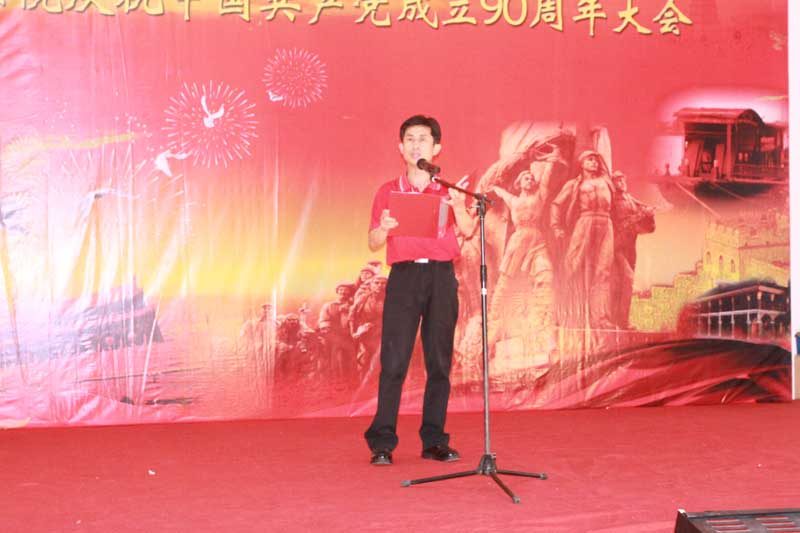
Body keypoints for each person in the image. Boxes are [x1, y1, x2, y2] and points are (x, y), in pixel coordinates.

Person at [364, 115, 474, 466]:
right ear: (400, 147)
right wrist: (384, 228)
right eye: (409, 139)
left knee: (439, 362)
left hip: (441, 277)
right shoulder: (387, 191)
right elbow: (373, 242)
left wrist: (460, 208)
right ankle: (382, 443)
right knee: (394, 361)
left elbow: (469, 231)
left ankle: (434, 440)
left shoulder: (449, 190)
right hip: (404, 278)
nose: (416, 145)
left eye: (423, 139)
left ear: (436, 147)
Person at [550, 150, 616, 330]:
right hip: (585, 221)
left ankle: (600, 317)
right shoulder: (575, 184)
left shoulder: (606, 181)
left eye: (596, 160)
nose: (594, 163)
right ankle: (563, 312)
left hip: (606, 222)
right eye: (590, 160)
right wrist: (556, 227)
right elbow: (556, 204)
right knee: (572, 265)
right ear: (582, 163)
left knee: (603, 271)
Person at [609, 171, 655, 328]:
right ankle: (616, 320)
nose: (621, 182)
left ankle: (622, 320)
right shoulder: (611, 201)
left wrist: (649, 215)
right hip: (617, 246)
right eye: (617, 180)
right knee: (624, 280)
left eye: (622, 179)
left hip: (630, 247)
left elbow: (648, 227)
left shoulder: (630, 200)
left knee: (627, 283)